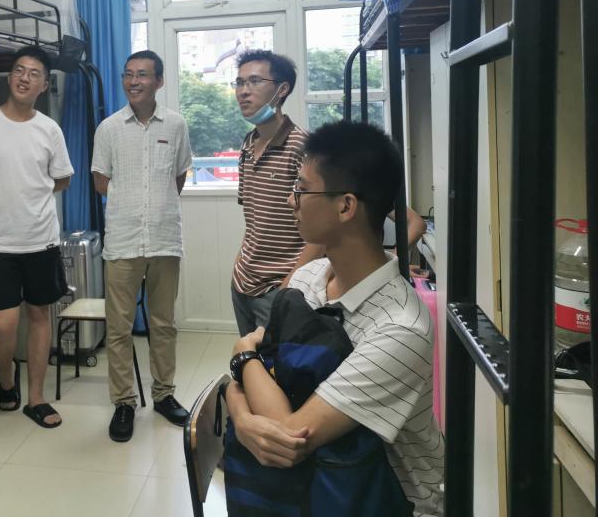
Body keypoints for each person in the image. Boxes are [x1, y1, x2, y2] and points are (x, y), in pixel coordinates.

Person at [226, 121, 444, 516]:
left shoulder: (399, 329)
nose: (291, 201)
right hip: (318, 490)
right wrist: (240, 414)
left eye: (302, 189)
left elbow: (291, 437)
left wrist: (242, 355)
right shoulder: (307, 280)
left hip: (391, 502)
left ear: (345, 206)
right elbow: (256, 374)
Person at [0, 46, 74, 429]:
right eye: (19, 70)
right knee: (3, 324)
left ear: (44, 85)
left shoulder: (49, 129)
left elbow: (62, 178)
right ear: (9, 76)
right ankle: (7, 377)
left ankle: (36, 398)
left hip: (41, 239)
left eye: (34, 73)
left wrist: (33, 191)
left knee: (39, 315)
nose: (24, 77)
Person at [92, 50, 193, 442]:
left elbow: (179, 175)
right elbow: (101, 181)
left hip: (165, 239)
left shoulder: (176, 124)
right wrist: (132, 203)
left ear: (159, 81)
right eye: (128, 74)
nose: (133, 81)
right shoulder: (109, 128)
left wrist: (157, 206)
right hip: (123, 240)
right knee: (118, 328)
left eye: (143, 74)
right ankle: (124, 402)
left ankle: (164, 395)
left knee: (163, 324)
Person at [231, 49, 322, 336]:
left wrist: (287, 289)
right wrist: (239, 266)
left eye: (255, 81)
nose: (243, 91)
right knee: (248, 358)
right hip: (243, 283)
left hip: (280, 288)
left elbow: (321, 233)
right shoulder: (248, 144)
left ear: (282, 89)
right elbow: (255, 221)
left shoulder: (302, 146)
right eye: (239, 82)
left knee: (277, 363)